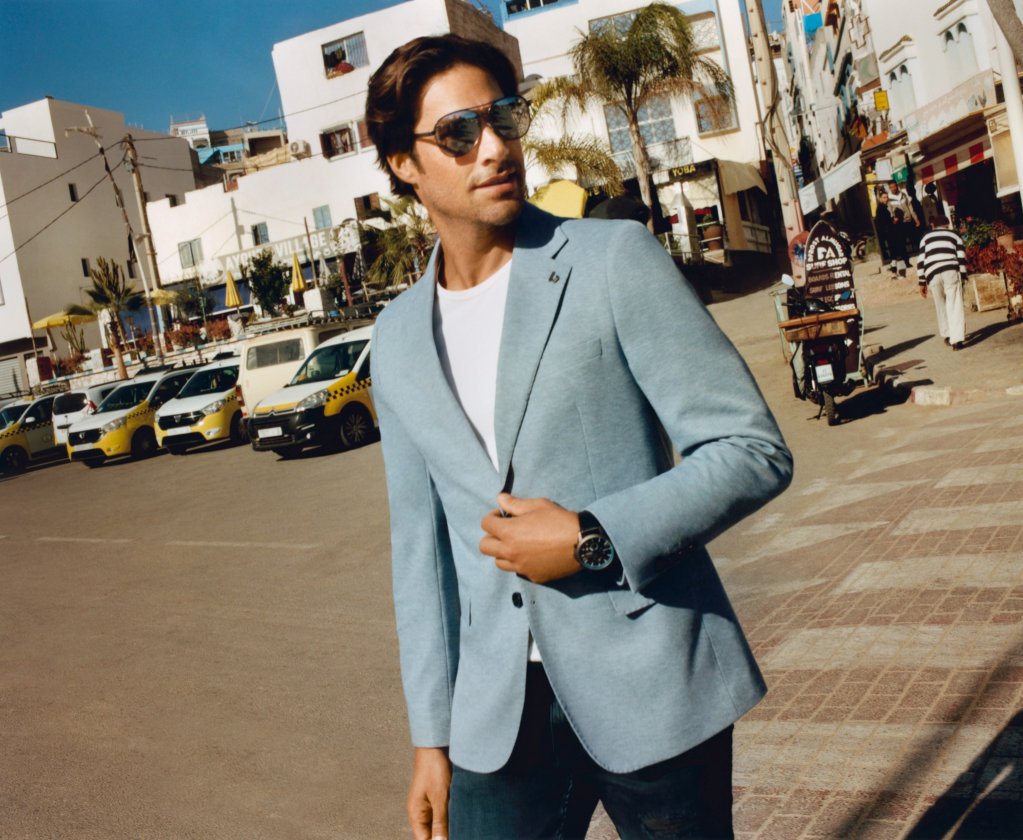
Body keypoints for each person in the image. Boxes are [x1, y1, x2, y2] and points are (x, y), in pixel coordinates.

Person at [366, 35, 793, 840]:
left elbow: (749, 449)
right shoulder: (394, 338)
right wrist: (430, 737)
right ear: (402, 163)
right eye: (458, 132)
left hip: (651, 679)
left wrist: (592, 536)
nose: (494, 147)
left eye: (503, 118)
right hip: (497, 713)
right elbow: (419, 556)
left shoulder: (610, 260)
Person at [918, 214, 968, 350]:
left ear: (934, 226)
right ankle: (956, 340)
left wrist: (922, 282)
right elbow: (961, 257)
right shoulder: (955, 235)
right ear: (947, 225)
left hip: (932, 273)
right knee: (954, 303)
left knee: (940, 304)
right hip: (950, 270)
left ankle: (947, 335)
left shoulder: (925, 238)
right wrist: (963, 275)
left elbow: (921, 260)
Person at [875, 189, 908, 276]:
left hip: (889, 232)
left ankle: (894, 269)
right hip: (888, 232)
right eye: (884, 197)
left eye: (887, 197)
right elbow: (884, 221)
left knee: (894, 251)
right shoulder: (881, 209)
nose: (886, 199)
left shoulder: (883, 208)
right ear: (880, 199)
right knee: (894, 250)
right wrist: (893, 220)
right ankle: (894, 270)